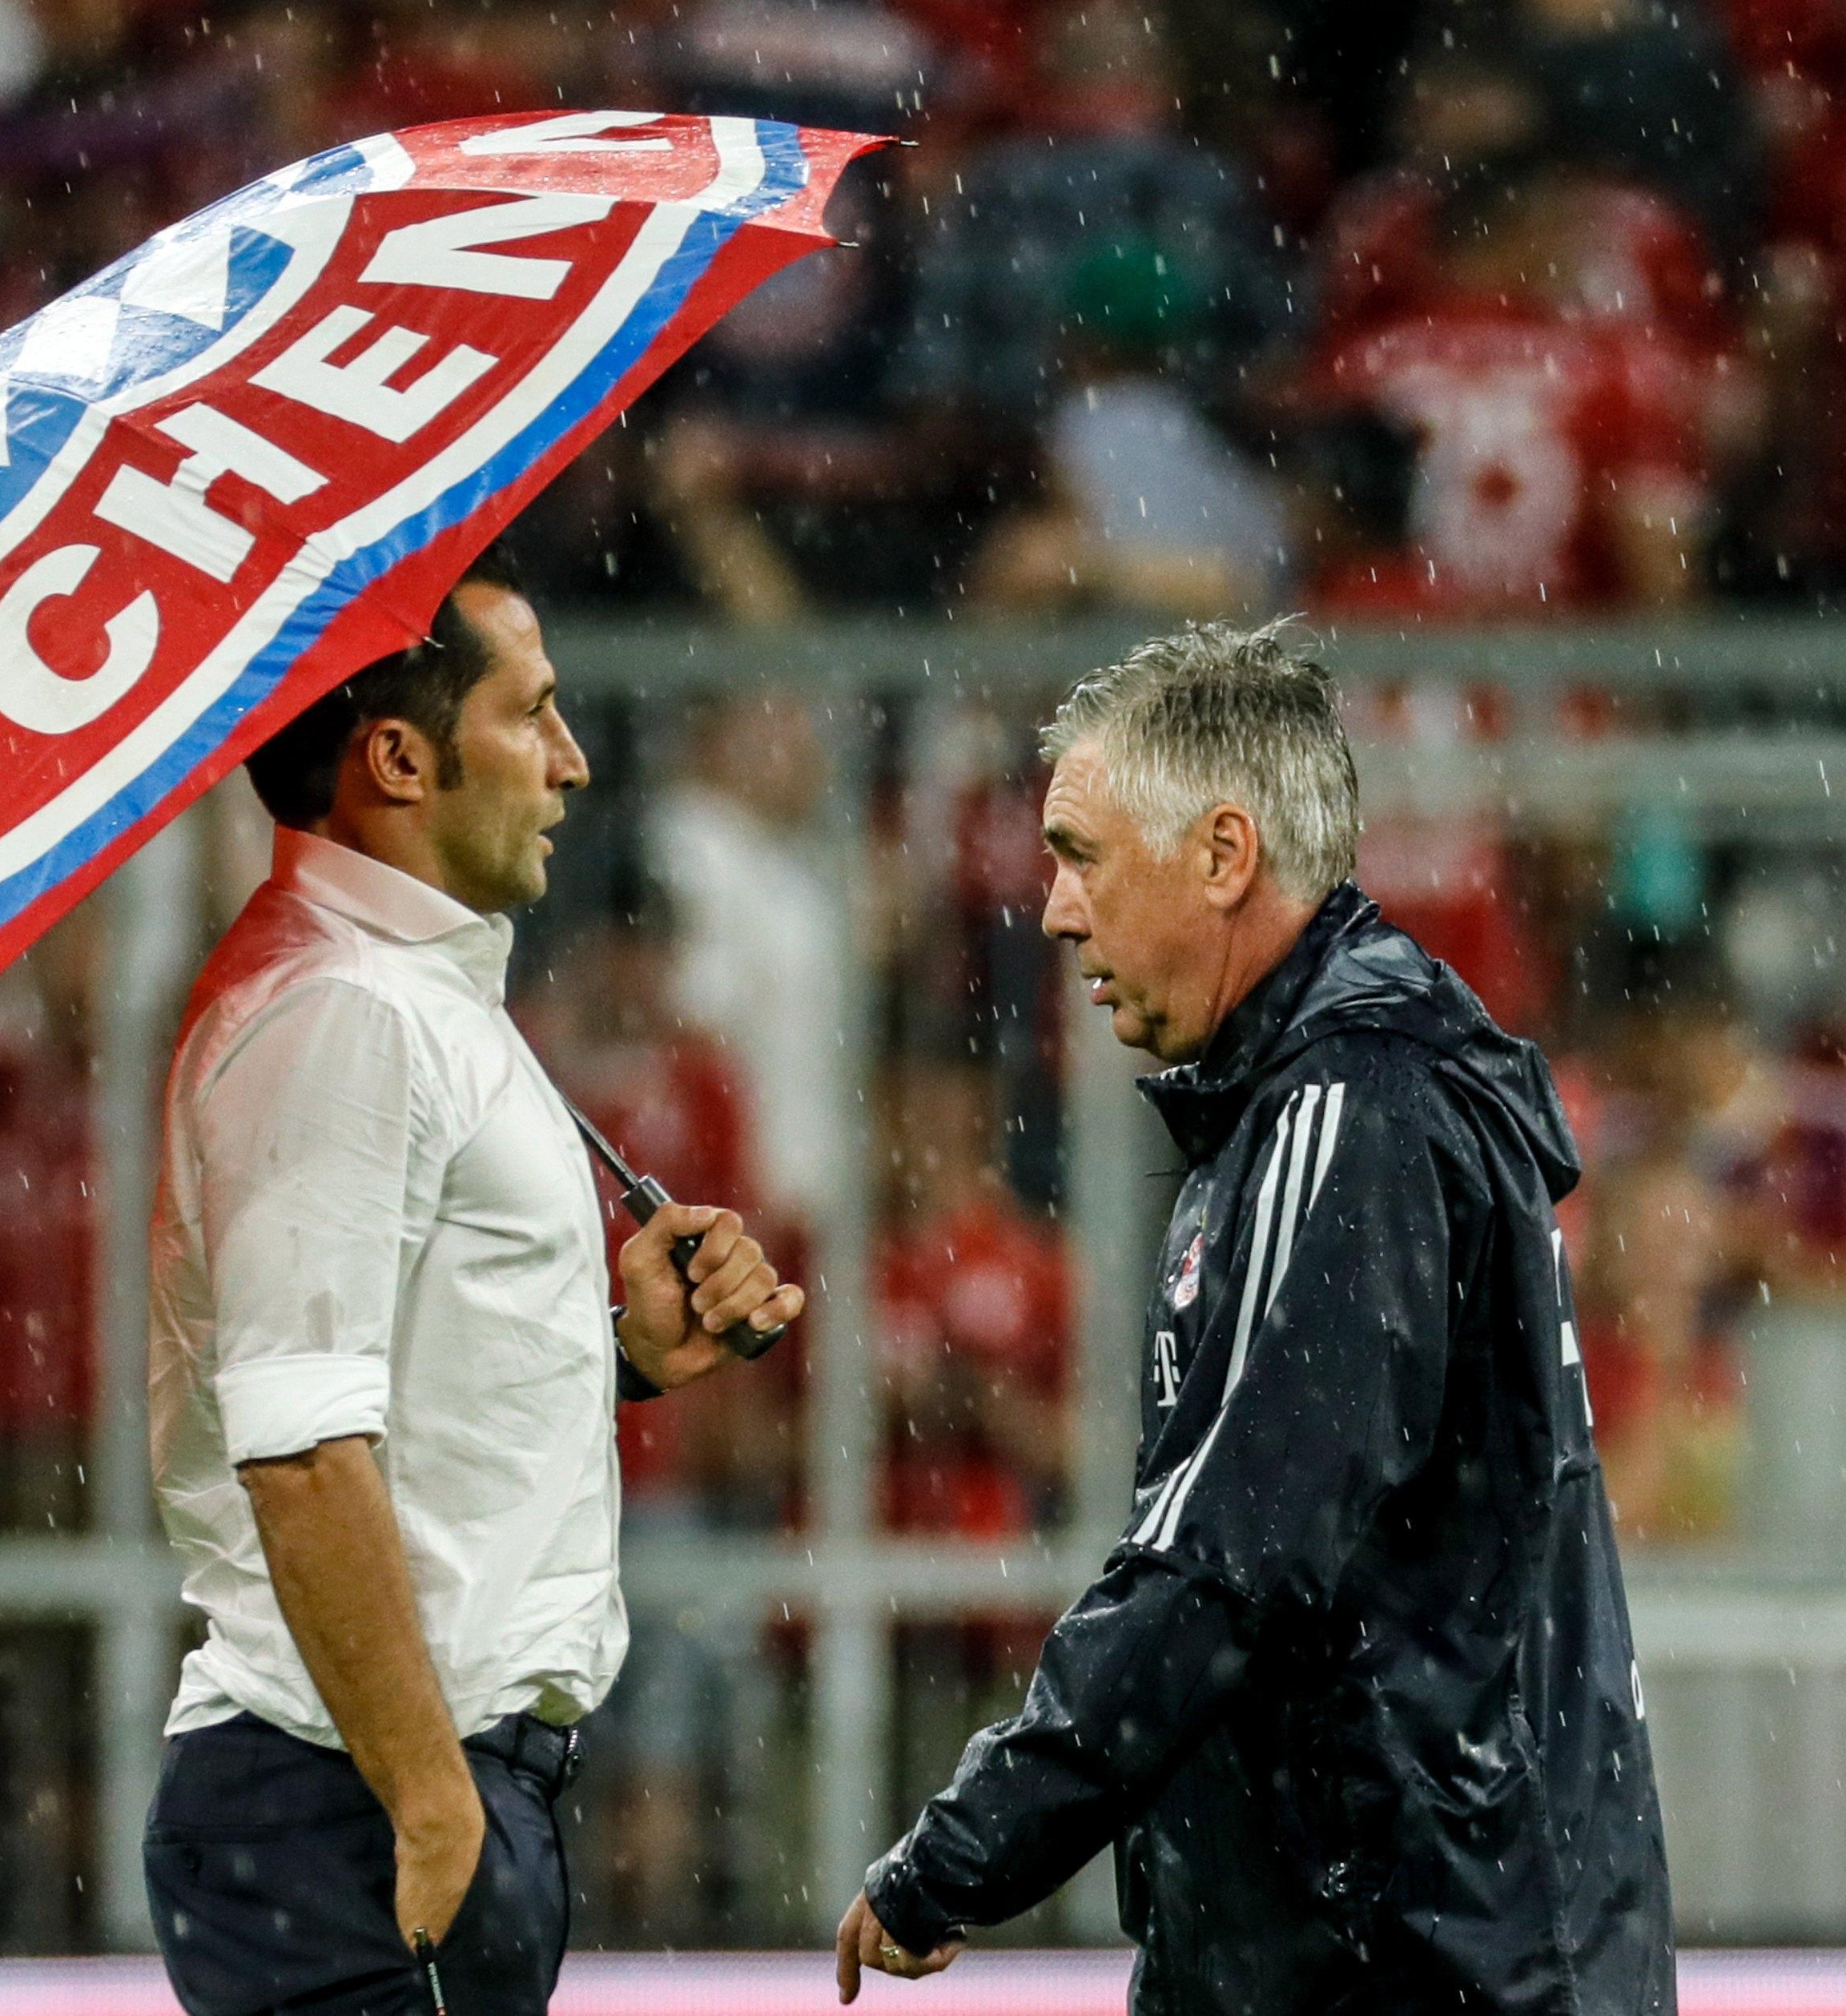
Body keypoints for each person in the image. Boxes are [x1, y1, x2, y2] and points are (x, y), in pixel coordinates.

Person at [836, 623, 1675, 2013]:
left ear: (1225, 855)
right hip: (1438, 1941)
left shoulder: (1350, 1109)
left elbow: (1226, 1554)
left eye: (1081, 853)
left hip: (1416, 1965)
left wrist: (975, 1841)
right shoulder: (1315, 1107)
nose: (1052, 908)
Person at [143, 552, 803, 2016]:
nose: (571, 762)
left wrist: (612, 1345)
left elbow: (387, 1370)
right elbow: (302, 1449)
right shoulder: (339, 1011)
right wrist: (438, 1805)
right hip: (359, 1799)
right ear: (398, 758)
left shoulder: (403, 989)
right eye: (535, 713)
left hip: (377, 1789)